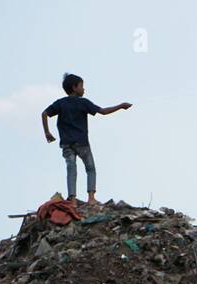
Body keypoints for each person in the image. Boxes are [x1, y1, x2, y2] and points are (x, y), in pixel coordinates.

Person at [42, 72, 132, 205]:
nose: (84, 89)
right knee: (90, 168)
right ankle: (91, 198)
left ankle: (72, 199)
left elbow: (44, 113)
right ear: (74, 87)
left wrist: (47, 133)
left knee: (71, 169)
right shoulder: (83, 103)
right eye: (82, 86)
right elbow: (103, 111)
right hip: (82, 143)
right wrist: (120, 106)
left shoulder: (60, 103)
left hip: (66, 144)